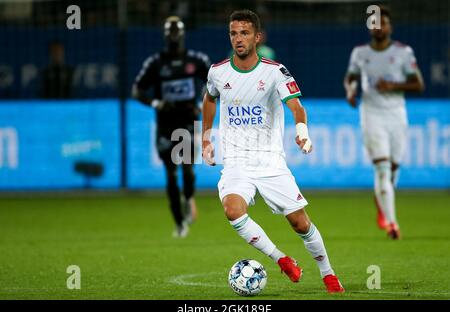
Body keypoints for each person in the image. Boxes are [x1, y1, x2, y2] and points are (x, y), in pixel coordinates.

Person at [202, 9, 344, 293]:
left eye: (244, 33)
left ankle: (328, 274)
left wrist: (302, 132)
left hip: (269, 162)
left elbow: (296, 106)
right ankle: (281, 259)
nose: (238, 39)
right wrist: (206, 138)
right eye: (233, 33)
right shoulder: (218, 72)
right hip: (236, 161)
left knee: (300, 223)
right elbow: (209, 99)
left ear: (257, 37)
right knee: (233, 210)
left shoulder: (275, 71)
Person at [344, 6, 424, 240]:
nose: (379, 27)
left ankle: (382, 201)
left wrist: (393, 86)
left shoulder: (403, 52)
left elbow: (418, 85)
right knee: (381, 167)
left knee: (393, 168)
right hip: (371, 114)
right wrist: (350, 91)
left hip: (396, 114)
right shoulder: (359, 53)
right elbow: (350, 78)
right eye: (375, 22)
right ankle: (392, 223)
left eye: (383, 23)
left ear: (390, 26)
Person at [132, 16, 210, 238]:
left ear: (183, 35)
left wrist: (201, 102)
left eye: (177, 33)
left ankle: (188, 198)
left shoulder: (195, 60)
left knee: (186, 169)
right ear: (166, 36)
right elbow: (137, 89)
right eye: (171, 33)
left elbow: (213, 81)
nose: (174, 38)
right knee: (170, 174)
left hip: (185, 122)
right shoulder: (156, 63)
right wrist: (156, 103)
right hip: (166, 124)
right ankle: (179, 223)